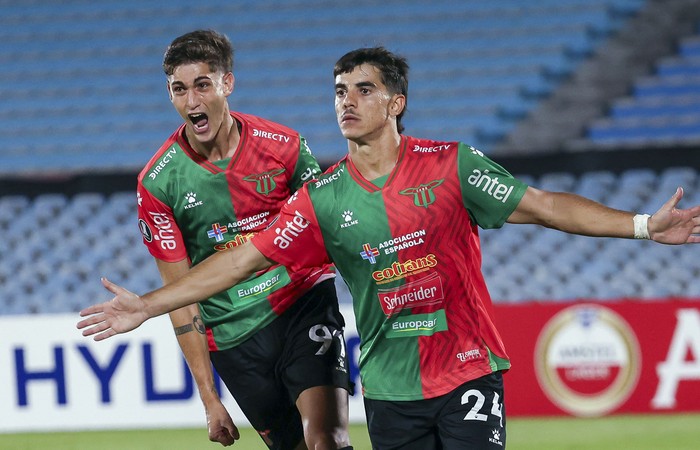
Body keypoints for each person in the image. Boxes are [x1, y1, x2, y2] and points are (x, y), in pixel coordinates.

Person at [78, 47, 700, 449]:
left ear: (395, 102)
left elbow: (544, 206)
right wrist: (151, 305)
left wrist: (644, 225)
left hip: (466, 374)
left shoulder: (452, 165)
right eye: (339, 90)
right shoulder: (322, 198)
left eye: (362, 89)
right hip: (390, 391)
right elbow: (243, 258)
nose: (346, 100)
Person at [132, 30, 354, 450]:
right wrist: (209, 399)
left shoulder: (285, 147)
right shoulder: (158, 184)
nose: (192, 101)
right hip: (233, 337)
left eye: (202, 85)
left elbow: (332, 232)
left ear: (226, 83)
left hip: (301, 305)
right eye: (179, 89)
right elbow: (180, 297)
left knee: (327, 439)